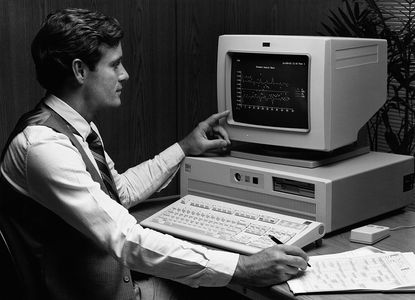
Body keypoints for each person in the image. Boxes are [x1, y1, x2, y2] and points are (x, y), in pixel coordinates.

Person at [0, 8, 309, 300]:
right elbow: (125, 238)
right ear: (80, 70)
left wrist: (185, 147)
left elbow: (118, 192)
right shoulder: (43, 147)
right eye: (115, 64)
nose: (125, 75)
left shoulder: (75, 128)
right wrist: (240, 268)